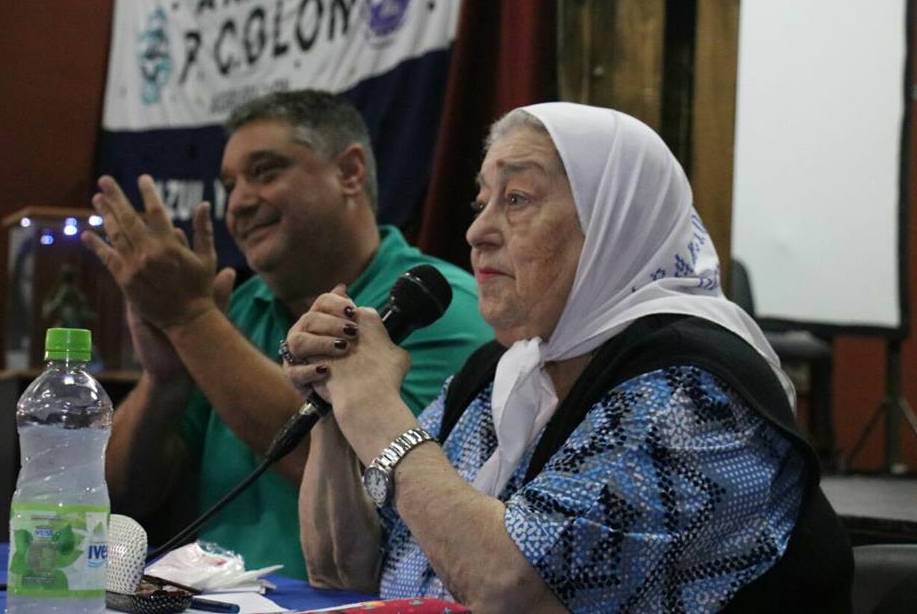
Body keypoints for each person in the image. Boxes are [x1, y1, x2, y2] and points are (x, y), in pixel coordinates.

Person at [286, 103, 853, 613]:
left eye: (517, 200)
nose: (477, 230)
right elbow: (343, 571)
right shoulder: (498, 374)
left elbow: (511, 589)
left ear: (614, 226)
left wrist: (375, 408)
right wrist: (335, 404)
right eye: (482, 200)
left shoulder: (695, 390)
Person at [81, 90, 493, 579]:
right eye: (230, 184)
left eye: (265, 172)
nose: (237, 204)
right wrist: (163, 380)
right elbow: (124, 495)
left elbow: (366, 480)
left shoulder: (435, 307)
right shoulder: (237, 315)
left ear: (350, 172)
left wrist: (190, 320)